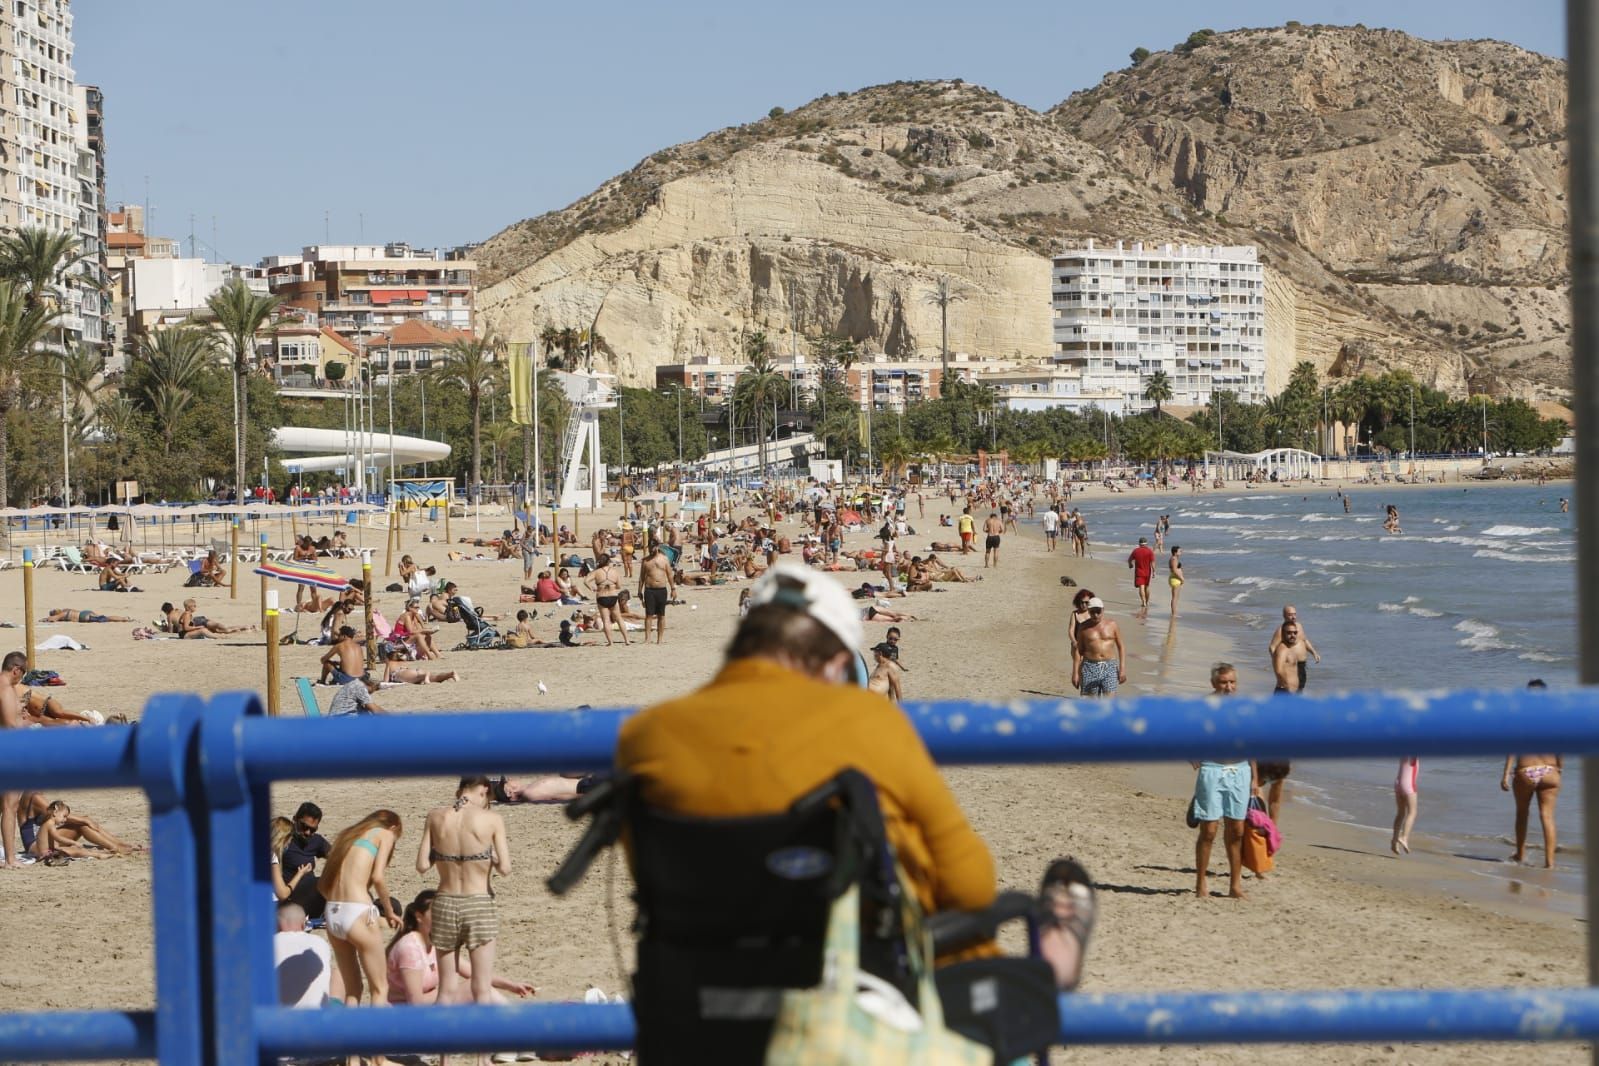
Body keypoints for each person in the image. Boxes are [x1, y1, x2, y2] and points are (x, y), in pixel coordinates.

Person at [616, 563, 1094, 995]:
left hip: (709, 994)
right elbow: (970, 885)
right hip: (856, 987)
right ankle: (1054, 966)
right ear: (839, 660)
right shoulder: (869, 726)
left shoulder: (650, 736)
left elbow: (656, 881)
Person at [415, 777, 512, 1010]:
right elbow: (506, 869)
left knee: (446, 989)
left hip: (445, 901)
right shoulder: (492, 819)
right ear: (484, 790)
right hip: (478, 903)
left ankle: (438, 1045)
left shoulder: (435, 816)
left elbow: (421, 866)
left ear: (460, 790)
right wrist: (490, 859)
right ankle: (482, 1046)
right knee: (481, 988)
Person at [317, 810, 403, 1015]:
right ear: (392, 827)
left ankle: (349, 1042)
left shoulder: (348, 836)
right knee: (380, 989)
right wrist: (389, 911)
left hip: (332, 912)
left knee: (353, 990)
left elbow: (322, 885)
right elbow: (379, 877)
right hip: (357, 911)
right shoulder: (385, 834)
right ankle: (377, 1044)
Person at [386, 889, 535, 1007]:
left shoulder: (434, 943)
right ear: (419, 916)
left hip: (429, 1010)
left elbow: (474, 972)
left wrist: (511, 986)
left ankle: (515, 1027)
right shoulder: (410, 948)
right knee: (474, 988)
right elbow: (415, 1003)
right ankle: (519, 1025)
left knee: (478, 986)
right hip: (405, 1020)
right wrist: (446, 992)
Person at [1189, 663, 1258, 899]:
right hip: (1212, 769)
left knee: (1237, 830)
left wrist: (1255, 779)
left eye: (1232, 682)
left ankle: (1235, 885)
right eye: (1223, 683)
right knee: (1209, 830)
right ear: (1213, 684)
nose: (1229, 687)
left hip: (1240, 770)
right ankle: (1201, 883)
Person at [1503, 681, 1561, 868]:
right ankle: (1550, 863)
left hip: (1525, 770)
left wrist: (1505, 774)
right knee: (1547, 816)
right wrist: (1559, 768)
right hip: (1550, 770)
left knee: (1522, 814)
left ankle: (1520, 855)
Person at [275, 901, 342, 1008]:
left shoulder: (269, 943)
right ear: (303, 924)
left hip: (279, 1015)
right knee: (337, 974)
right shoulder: (319, 942)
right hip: (319, 1015)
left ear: (277, 924)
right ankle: (341, 1016)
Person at [282, 802, 331, 917]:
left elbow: (337, 857)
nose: (308, 832)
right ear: (295, 819)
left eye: (313, 830)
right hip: (291, 897)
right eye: (304, 827)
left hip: (312, 896)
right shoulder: (283, 841)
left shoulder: (316, 841)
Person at [1072, 597, 1125, 698]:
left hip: (1110, 667)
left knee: (1109, 702)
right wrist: (1075, 673)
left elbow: (1121, 647)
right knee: (1091, 704)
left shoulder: (1112, 625)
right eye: (1092, 612)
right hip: (1089, 667)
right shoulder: (1083, 627)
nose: (1095, 615)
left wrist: (1122, 668)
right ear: (1088, 611)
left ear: (1103, 610)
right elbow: (1078, 650)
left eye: (1098, 612)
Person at [2, 651, 26, 867]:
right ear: (15, 669)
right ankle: (10, 859)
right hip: (8, 751)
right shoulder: (6, 689)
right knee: (11, 805)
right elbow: (10, 726)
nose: (20, 680)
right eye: (21, 675)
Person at [1268, 605, 1321, 684]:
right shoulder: (1281, 630)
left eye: (1294, 614)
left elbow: (1304, 640)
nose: (1293, 617)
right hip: (1290, 667)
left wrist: (1314, 653)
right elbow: (1272, 647)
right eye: (1290, 614)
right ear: (1284, 616)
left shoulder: (1299, 626)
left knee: (1299, 689)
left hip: (1301, 666)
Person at [585, 553, 629, 647]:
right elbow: (619, 586)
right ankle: (626, 640)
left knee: (606, 620)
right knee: (619, 619)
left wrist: (592, 588)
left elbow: (586, 581)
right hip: (612, 595)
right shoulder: (614, 571)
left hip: (602, 596)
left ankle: (610, 642)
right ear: (608, 561)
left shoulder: (597, 572)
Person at [638, 544, 675, 645]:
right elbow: (641, 577)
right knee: (648, 615)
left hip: (661, 589)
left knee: (661, 615)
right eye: (650, 548)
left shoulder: (664, 559)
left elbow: (669, 575)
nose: (652, 550)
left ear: (657, 547)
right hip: (649, 590)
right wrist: (639, 591)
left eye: (653, 547)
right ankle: (648, 638)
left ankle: (660, 639)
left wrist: (673, 589)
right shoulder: (645, 561)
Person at [383, 649, 459, 685]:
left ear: (388, 658)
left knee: (425, 676)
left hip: (405, 673)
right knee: (435, 678)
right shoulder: (401, 662)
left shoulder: (389, 664)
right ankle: (450, 674)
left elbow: (385, 681)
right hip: (414, 671)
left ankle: (426, 675)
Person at [1392, 757, 1419, 856]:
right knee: (1412, 812)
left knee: (1400, 813)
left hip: (1398, 783)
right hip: (1408, 785)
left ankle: (1394, 840)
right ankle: (1404, 837)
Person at [1271, 622, 1308, 695]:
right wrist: (1289, 688)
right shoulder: (1282, 650)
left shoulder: (1289, 648)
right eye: (1289, 633)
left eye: (1295, 632)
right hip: (1285, 692)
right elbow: (1279, 671)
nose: (1292, 635)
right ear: (1283, 634)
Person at [1127, 537, 1155, 611]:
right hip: (1148, 572)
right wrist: (1154, 571)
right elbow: (1152, 562)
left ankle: (1143, 602)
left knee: (1141, 587)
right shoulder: (1149, 551)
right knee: (1147, 587)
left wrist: (1130, 565)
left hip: (1139, 572)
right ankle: (1147, 601)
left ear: (1139, 543)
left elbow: (1129, 560)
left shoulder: (1136, 551)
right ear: (1146, 543)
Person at [43, 607, 132, 624]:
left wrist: (45, 619)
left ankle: (124, 619)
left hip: (82, 616)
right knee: (104, 617)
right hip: (85, 612)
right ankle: (123, 618)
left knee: (106, 618)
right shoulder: (66, 610)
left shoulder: (62, 614)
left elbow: (53, 619)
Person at [1168, 546, 1184, 616]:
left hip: (1175, 579)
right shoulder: (1174, 559)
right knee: (1175, 597)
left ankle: (1174, 612)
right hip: (1175, 579)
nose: (1181, 552)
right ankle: (1174, 613)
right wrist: (1181, 578)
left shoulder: (1174, 558)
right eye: (1180, 551)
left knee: (1176, 597)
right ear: (1175, 552)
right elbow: (1174, 570)